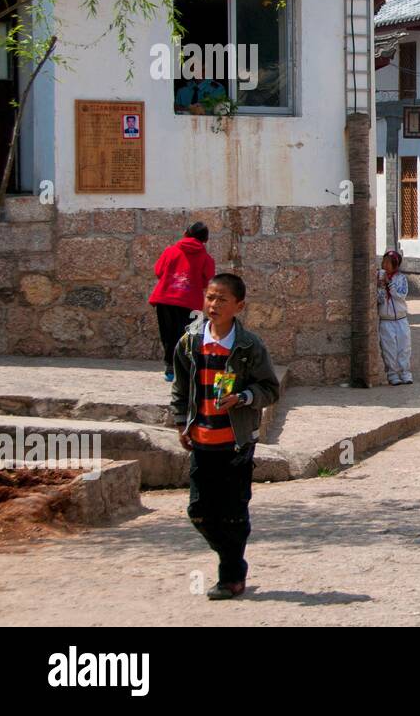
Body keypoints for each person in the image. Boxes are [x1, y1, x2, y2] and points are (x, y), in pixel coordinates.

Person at [171, 273, 280, 600]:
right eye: (210, 298)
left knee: (234, 511)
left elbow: (270, 389)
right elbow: (180, 389)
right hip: (201, 441)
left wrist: (244, 397)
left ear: (239, 306)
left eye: (221, 299)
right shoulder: (190, 343)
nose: (213, 305)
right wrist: (181, 424)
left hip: (236, 443)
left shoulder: (249, 347)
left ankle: (230, 578)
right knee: (200, 511)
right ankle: (233, 561)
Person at [148, 221, 216, 382]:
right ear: (205, 239)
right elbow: (207, 280)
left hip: (165, 298)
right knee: (186, 334)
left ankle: (170, 367)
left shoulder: (170, 251)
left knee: (167, 334)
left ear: (186, 233)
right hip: (190, 301)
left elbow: (159, 271)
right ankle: (182, 368)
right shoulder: (206, 258)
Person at [377, 249, 413, 385]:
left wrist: (389, 284)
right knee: (389, 348)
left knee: (404, 347)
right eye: (384, 262)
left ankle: (405, 373)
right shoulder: (377, 277)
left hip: (401, 319)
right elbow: (378, 299)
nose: (385, 265)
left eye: (389, 263)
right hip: (387, 320)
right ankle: (392, 374)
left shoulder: (401, 278)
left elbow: (401, 295)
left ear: (395, 265)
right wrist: (380, 285)